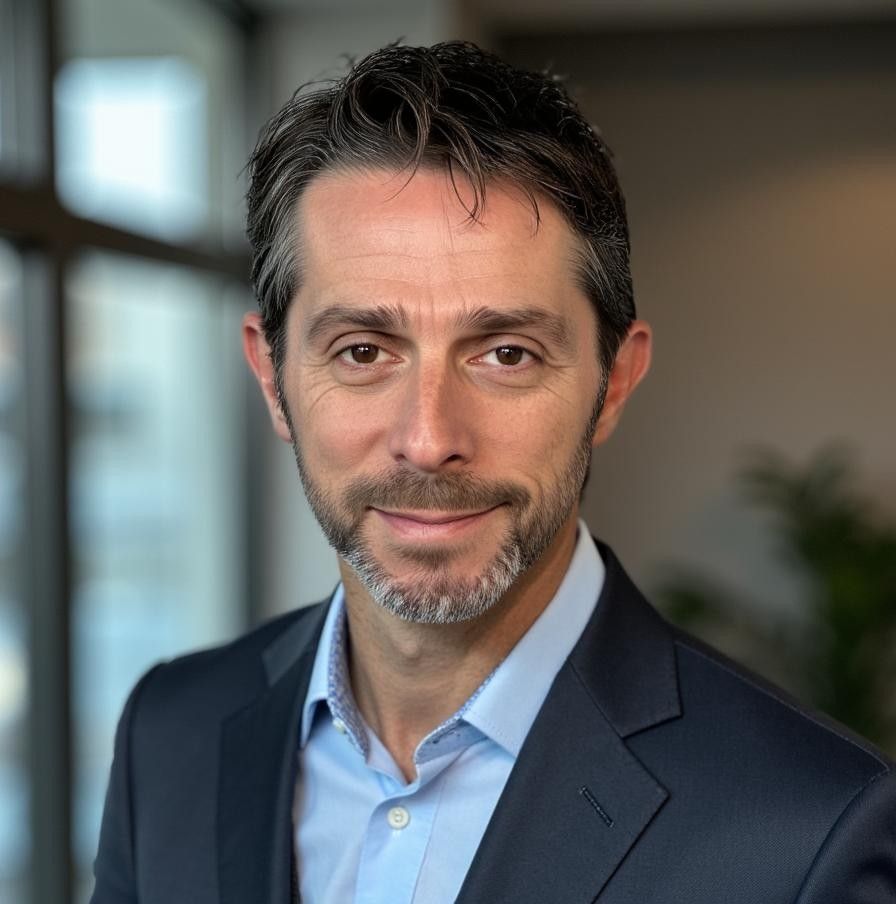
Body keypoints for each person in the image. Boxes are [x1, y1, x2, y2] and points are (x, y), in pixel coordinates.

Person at [91, 41, 896, 904]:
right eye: (363, 351)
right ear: (273, 378)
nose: (429, 437)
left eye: (506, 353)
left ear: (613, 383)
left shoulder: (808, 830)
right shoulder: (170, 732)